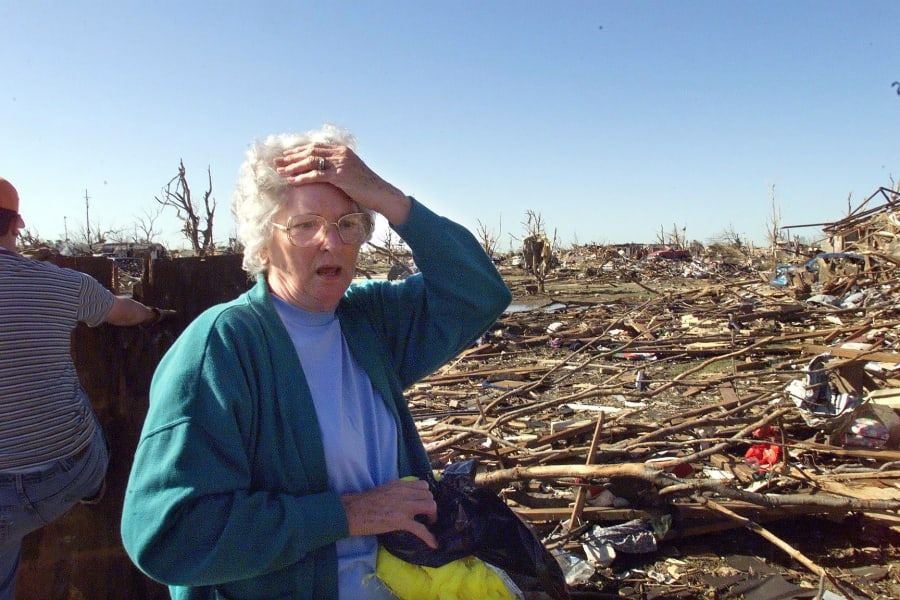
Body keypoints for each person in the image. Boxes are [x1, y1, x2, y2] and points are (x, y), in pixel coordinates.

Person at [120, 124, 512, 599]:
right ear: (263, 244)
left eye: (349, 223)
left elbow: (479, 293)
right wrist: (348, 515)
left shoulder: (367, 322)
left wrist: (383, 195)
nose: (333, 241)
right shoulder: (224, 347)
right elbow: (168, 535)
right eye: (306, 226)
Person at [0, 177, 170, 600]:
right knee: (83, 420)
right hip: (59, 475)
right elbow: (121, 312)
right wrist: (153, 312)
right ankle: (93, 487)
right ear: (17, 223)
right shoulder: (59, 283)